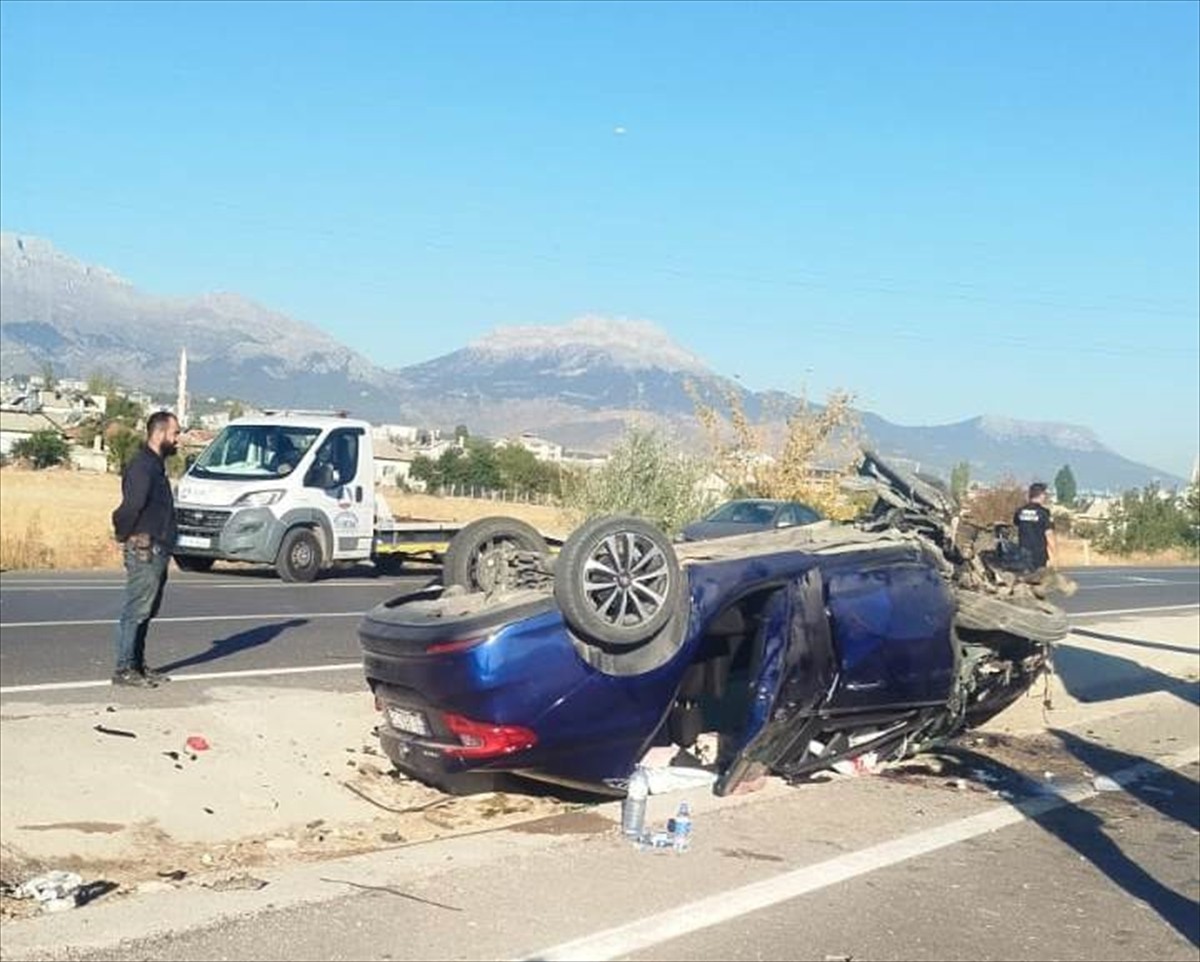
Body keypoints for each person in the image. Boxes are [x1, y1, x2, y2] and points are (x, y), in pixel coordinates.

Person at [110, 411, 180, 687]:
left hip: (158, 548)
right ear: (160, 433)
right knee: (136, 610)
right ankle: (124, 668)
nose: (178, 440)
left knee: (147, 609)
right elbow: (130, 507)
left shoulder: (155, 465)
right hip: (144, 549)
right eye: (175, 434)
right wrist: (125, 534)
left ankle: (137, 664)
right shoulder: (142, 466)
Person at [1013, 482, 1056, 572]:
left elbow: (1016, 524)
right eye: (1044, 494)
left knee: (1025, 578)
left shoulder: (1019, 511)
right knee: (1039, 580)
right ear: (1041, 495)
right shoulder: (1044, 513)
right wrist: (1054, 555)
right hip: (1039, 554)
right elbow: (1049, 534)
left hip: (1023, 552)